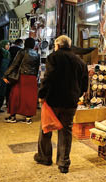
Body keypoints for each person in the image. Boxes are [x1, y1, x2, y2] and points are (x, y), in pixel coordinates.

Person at [34, 34, 88, 173]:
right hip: (70, 102)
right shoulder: (79, 61)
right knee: (66, 131)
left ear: (57, 45)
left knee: (46, 128)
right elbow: (84, 84)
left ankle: (44, 157)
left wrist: (41, 94)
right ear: (69, 46)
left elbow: (48, 77)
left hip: (53, 100)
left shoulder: (53, 57)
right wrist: (77, 95)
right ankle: (64, 163)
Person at [5, 37, 40, 122]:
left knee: (15, 96)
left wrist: (6, 75)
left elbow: (14, 64)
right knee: (29, 97)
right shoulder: (36, 54)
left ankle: (13, 116)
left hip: (21, 77)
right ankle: (28, 118)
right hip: (32, 78)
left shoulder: (21, 52)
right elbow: (37, 67)